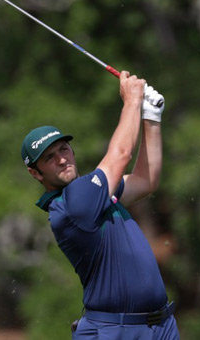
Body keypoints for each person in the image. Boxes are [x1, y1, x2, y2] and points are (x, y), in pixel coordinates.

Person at [20, 71, 180, 340]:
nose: (61, 159)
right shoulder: (72, 204)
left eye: (63, 149)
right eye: (49, 157)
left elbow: (145, 180)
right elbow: (121, 155)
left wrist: (151, 118)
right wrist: (132, 100)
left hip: (160, 326)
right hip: (116, 331)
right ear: (36, 173)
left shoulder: (92, 193)